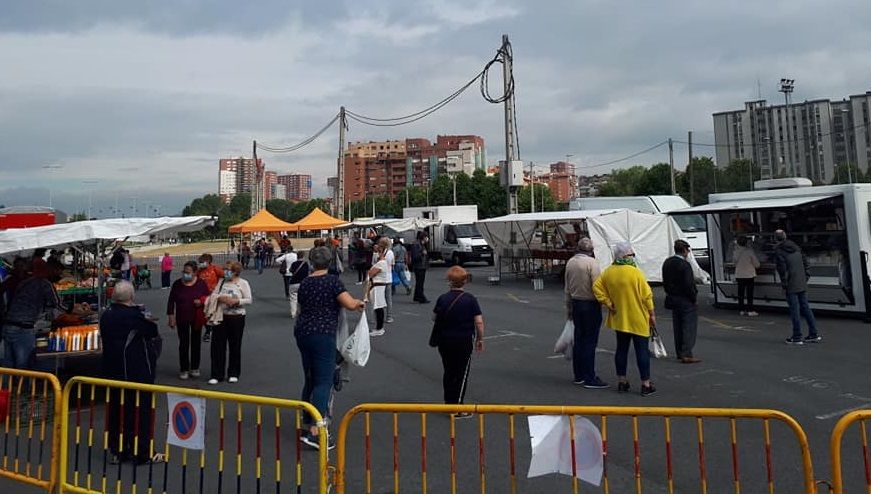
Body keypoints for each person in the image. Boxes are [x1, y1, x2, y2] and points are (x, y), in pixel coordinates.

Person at [294, 246, 365, 449]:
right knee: (324, 381)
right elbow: (349, 303)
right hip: (322, 333)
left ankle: (307, 423)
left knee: (309, 377)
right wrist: (359, 303)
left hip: (303, 332)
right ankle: (317, 431)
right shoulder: (332, 282)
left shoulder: (305, 283)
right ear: (330, 262)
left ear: (311, 262)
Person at [100, 281, 164, 465]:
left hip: (112, 369)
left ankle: (118, 450)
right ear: (131, 296)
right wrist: (140, 311)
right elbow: (152, 330)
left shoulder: (107, 315)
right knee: (141, 412)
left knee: (116, 411)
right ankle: (143, 451)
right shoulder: (134, 316)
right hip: (136, 370)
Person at [593, 242, 657, 396]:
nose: (632, 257)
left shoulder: (608, 272)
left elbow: (596, 287)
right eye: (631, 254)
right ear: (625, 256)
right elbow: (647, 295)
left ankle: (622, 381)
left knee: (621, 350)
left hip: (620, 318)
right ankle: (645, 384)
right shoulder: (636, 273)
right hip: (638, 317)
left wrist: (608, 303)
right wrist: (652, 314)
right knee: (642, 351)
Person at [432, 266, 484, 414]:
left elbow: (434, 317)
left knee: (448, 371)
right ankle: (458, 407)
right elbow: (479, 322)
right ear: (465, 281)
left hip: (445, 340)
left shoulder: (443, 298)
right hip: (464, 340)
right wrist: (480, 339)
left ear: (449, 281)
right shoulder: (470, 299)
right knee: (461, 373)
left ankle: (448, 403)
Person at [2, 258, 65, 369]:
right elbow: (57, 303)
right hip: (23, 327)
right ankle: (24, 386)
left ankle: (7, 386)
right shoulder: (44, 283)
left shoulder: (24, 282)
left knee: (8, 364)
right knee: (24, 364)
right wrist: (72, 310)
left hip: (8, 324)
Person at [564, 237, 607, 388]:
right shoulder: (592, 263)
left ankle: (579, 374)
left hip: (576, 303)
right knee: (590, 341)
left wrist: (568, 308)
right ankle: (590, 376)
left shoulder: (571, 262)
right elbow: (597, 286)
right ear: (591, 250)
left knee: (579, 339)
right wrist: (605, 301)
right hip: (590, 303)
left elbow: (567, 288)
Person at [208, 261, 253, 384]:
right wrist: (220, 298)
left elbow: (249, 299)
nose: (225, 272)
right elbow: (214, 294)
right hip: (221, 316)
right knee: (217, 346)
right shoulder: (221, 282)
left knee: (235, 345)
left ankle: (233, 372)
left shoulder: (243, 283)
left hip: (237, 317)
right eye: (224, 269)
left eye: (228, 270)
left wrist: (237, 301)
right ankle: (217, 374)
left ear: (235, 272)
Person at [774, 229, 820, 344]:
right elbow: (806, 264)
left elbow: (782, 270)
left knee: (795, 310)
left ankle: (797, 336)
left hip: (791, 283)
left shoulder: (779, 251)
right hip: (801, 281)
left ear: (775, 239)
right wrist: (805, 278)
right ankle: (813, 333)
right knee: (806, 307)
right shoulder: (797, 248)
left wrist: (784, 285)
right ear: (785, 236)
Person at [167, 261, 210, 380]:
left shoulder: (201, 284)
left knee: (196, 342)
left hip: (197, 316)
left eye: (188, 272)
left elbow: (208, 298)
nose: (185, 274)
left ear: (195, 273)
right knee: (184, 344)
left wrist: (201, 302)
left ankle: (195, 367)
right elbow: (171, 301)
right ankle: (184, 368)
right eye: (184, 272)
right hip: (182, 317)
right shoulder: (177, 284)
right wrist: (171, 316)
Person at [662, 239, 701, 364]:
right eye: (687, 250)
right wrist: (693, 298)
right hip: (685, 298)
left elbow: (664, 280)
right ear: (684, 250)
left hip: (672, 297)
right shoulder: (684, 265)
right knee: (688, 326)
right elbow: (688, 284)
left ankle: (680, 351)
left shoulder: (667, 262)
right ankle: (686, 353)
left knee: (677, 326)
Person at [196, 253, 225, 343]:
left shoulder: (214, 268)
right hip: (202, 296)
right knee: (205, 315)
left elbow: (224, 276)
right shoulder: (199, 271)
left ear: (208, 262)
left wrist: (220, 287)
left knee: (214, 314)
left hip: (213, 295)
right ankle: (208, 330)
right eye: (200, 262)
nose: (201, 264)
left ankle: (214, 331)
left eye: (202, 262)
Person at [367, 244, 391, 336]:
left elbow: (370, 273)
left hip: (377, 287)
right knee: (378, 307)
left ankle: (379, 328)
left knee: (378, 307)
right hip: (377, 286)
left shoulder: (381, 263)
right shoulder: (381, 263)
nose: (375, 254)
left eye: (377, 252)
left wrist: (370, 272)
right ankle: (379, 327)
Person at [734, 235, 760, 317]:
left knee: (740, 293)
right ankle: (750, 310)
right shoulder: (749, 252)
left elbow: (734, 262)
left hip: (739, 274)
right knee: (749, 294)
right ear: (746, 243)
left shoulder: (735, 252)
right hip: (749, 275)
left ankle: (741, 309)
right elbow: (757, 264)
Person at [287, 251, 310, 318]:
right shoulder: (306, 264)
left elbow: (290, 270)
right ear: (303, 256)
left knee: (293, 299)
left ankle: (293, 313)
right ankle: (302, 312)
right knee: (303, 298)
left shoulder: (294, 264)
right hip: (303, 283)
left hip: (294, 283)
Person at [378, 237, 395, 323]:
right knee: (388, 298)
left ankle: (384, 316)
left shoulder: (384, 253)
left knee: (381, 298)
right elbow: (392, 264)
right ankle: (389, 316)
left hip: (382, 278)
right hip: (388, 277)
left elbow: (379, 264)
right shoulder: (390, 253)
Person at [410, 231, 430, 304]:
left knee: (420, 282)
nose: (427, 238)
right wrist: (422, 253)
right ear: (423, 237)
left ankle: (417, 296)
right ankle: (421, 297)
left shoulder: (422, 244)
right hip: (419, 267)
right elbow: (415, 257)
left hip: (422, 266)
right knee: (420, 283)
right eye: (426, 237)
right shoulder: (416, 245)